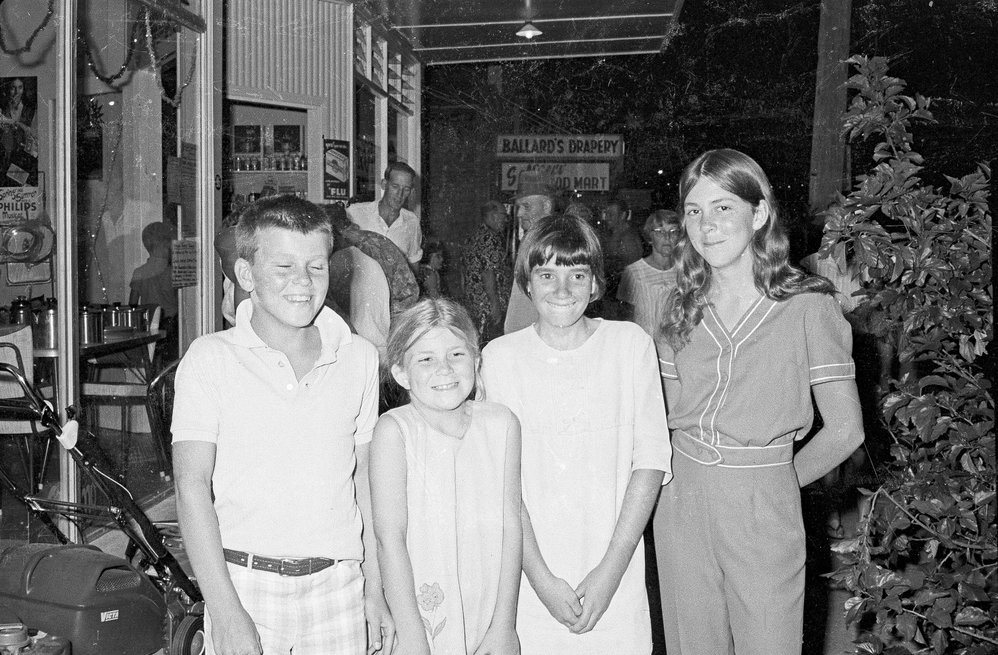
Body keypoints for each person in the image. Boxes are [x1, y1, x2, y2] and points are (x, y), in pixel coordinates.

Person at [653, 149, 865, 655]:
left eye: (723, 207)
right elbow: (660, 418)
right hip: (681, 498)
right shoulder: (677, 305)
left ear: (760, 213)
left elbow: (845, 431)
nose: (707, 225)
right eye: (694, 210)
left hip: (763, 499)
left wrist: (772, 481)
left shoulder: (808, 306)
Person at [172, 195, 393, 655]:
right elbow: (191, 488)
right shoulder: (210, 359)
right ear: (247, 275)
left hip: (339, 588)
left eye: (316, 267)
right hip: (246, 587)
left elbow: (365, 487)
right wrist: (226, 613)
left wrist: (376, 589)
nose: (303, 283)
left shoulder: (358, 358)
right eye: (283, 267)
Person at [481, 213, 672, 655]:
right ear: (527, 284)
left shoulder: (630, 346)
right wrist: (542, 580)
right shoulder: (500, 358)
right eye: (546, 275)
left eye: (577, 274)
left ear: (596, 284)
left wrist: (611, 571)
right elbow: (500, 486)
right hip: (530, 578)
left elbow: (650, 463)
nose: (562, 290)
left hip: (614, 576)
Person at [371, 298, 522, 655]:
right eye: (426, 359)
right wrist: (413, 640)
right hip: (420, 623)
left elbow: (511, 527)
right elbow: (388, 540)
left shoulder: (501, 424)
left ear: (476, 361)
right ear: (401, 372)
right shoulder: (395, 431)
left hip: (487, 615)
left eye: (457, 355)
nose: (445, 369)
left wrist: (504, 626)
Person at [326, 202, 419, 359]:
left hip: (359, 349)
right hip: (384, 345)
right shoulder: (378, 242)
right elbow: (409, 292)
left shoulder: (341, 257)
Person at [503, 170, 558, 334]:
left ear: (546, 206)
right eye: (519, 207)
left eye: (526, 206)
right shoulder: (533, 237)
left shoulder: (549, 241)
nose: (519, 213)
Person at [616, 209, 681, 336]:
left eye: (673, 231)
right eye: (660, 232)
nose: (667, 237)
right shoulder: (633, 272)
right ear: (649, 237)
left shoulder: (684, 271)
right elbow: (625, 319)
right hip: (645, 346)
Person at [347, 161, 423, 267]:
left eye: (406, 189)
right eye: (395, 186)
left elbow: (414, 263)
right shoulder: (355, 212)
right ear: (384, 184)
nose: (400, 194)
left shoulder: (412, 222)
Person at [460, 200, 512, 344]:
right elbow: (488, 272)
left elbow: (464, 272)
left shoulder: (474, 236)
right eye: (504, 215)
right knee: (493, 347)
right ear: (493, 215)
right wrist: (495, 305)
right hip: (489, 307)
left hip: (475, 305)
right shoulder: (491, 239)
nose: (506, 220)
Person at [129, 221, 179, 362]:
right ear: (162, 246)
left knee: (153, 359)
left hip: (149, 325)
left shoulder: (139, 272)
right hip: (171, 324)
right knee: (169, 360)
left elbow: (132, 304)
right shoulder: (172, 272)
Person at [600, 198, 643, 305]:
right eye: (607, 213)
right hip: (615, 293)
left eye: (612, 214)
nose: (607, 218)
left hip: (623, 295)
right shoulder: (614, 234)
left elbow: (633, 268)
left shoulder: (628, 237)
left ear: (623, 215)